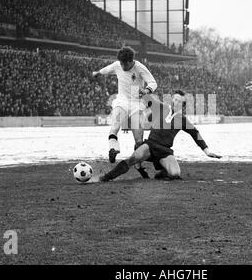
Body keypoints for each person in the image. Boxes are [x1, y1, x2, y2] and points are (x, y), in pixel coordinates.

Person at [89, 90, 221, 183]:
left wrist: (207, 151)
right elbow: (146, 98)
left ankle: (161, 173)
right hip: (150, 145)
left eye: (179, 101)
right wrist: (141, 90)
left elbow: (195, 134)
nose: (175, 102)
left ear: (183, 105)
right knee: (132, 159)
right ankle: (106, 177)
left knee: (175, 174)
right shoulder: (161, 107)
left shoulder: (183, 120)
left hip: (164, 151)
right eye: (174, 99)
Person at [92, 46, 157, 178]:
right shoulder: (117, 65)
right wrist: (98, 73)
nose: (121, 66)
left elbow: (153, 82)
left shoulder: (139, 67)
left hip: (136, 104)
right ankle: (113, 149)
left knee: (139, 141)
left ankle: (138, 165)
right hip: (121, 101)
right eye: (120, 63)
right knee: (114, 127)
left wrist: (146, 91)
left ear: (130, 61)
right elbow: (106, 70)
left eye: (124, 64)